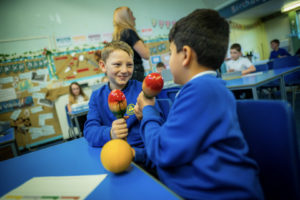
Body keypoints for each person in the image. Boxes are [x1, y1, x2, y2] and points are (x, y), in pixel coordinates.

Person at [134, 9, 263, 200]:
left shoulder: (202, 90)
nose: (168, 61)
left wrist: (148, 111)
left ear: (185, 54)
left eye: (170, 53)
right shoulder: (202, 88)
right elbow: (173, 141)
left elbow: (162, 151)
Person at [84, 41, 162, 166]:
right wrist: (110, 133)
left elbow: (159, 125)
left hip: (142, 155)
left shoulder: (141, 90)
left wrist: (144, 116)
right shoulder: (96, 97)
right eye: (117, 64)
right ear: (103, 66)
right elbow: (89, 131)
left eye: (129, 65)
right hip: (115, 155)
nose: (124, 70)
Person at [113, 6, 150, 82]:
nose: (134, 18)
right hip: (135, 72)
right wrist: (145, 45)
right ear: (126, 18)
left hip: (123, 74)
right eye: (131, 15)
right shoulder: (129, 32)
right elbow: (146, 55)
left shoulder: (116, 36)